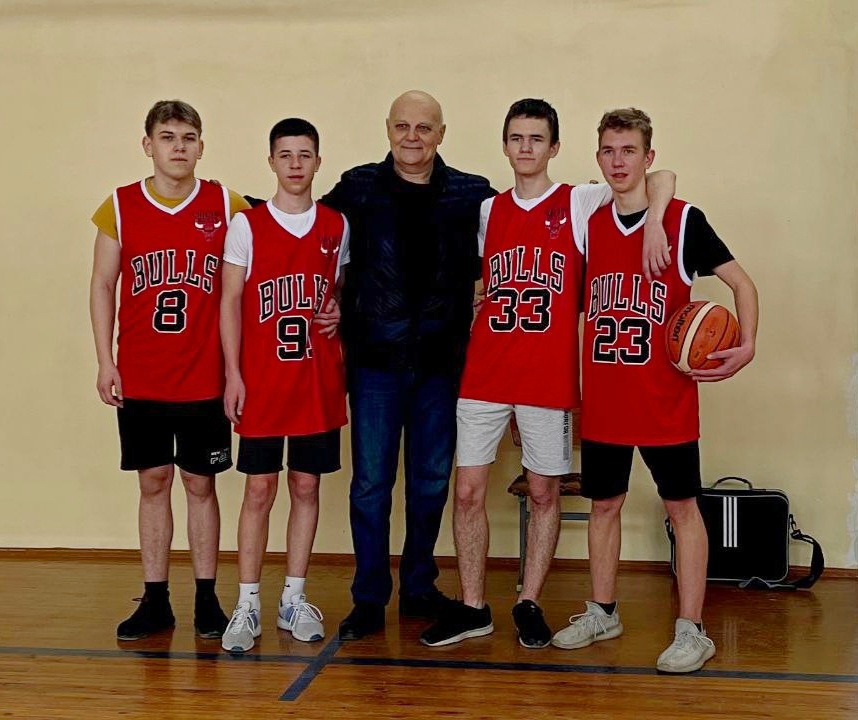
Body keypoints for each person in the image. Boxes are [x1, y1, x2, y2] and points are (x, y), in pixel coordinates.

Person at [420, 99, 675, 649]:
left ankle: (528, 601)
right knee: (467, 492)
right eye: (516, 138)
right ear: (505, 145)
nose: (526, 148)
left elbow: (659, 178)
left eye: (537, 138)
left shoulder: (579, 201)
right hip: (485, 372)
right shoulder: (488, 211)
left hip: (547, 377)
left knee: (543, 493)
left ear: (554, 147)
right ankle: (473, 607)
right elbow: (481, 282)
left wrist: (656, 221)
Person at [551, 108, 758, 673]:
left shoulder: (683, 220)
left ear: (648, 156)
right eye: (608, 151)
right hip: (606, 399)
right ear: (597, 157)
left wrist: (747, 345)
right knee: (604, 506)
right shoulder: (589, 219)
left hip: (665, 400)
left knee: (682, 508)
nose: (618, 162)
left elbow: (742, 284)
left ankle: (693, 630)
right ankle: (602, 612)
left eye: (629, 151)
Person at [320, 90, 496, 640]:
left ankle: (419, 585)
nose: (412, 137)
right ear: (388, 129)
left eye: (424, 127)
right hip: (374, 364)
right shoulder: (357, 187)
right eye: (402, 126)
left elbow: (525, 232)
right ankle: (369, 598)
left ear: (441, 133)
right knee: (371, 485)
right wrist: (323, 296)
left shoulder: (471, 193)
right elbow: (304, 227)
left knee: (429, 484)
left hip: (441, 366)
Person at [89, 99, 250, 640]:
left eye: (188, 137)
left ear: (201, 146)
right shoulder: (119, 205)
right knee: (153, 481)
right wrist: (105, 360)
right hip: (142, 373)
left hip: (204, 374)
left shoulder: (227, 205)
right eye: (167, 137)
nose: (178, 147)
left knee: (200, 483)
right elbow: (102, 285)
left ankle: (207, 598)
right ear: (148, 145)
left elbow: (260, 270)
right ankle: (155, 600)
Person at [218, 119, 349, 653]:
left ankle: (294, 597)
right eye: (286, 154)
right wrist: (233, 373)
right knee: (259, 489)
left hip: (316, 379)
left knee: (306, 486)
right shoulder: (247, 225)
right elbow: (229, 302)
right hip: (264, 381)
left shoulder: (337, 225)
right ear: (270, 161)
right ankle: (247, 601)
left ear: (319, 161)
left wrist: (339, 310)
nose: (296, 164)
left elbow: (338, 291)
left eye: (305, 154)